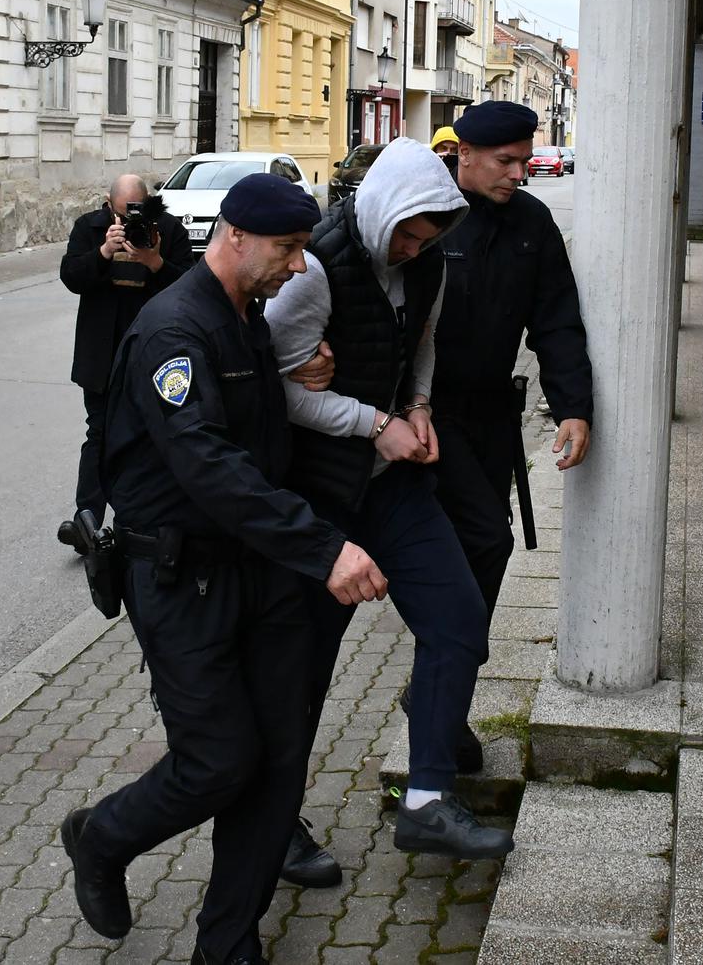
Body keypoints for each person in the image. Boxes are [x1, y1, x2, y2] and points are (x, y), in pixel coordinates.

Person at [60, 174, 388, 965]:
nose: (301, 266)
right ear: (235, 238)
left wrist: (305, 373)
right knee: (217, 763)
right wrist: (324, 548)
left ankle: (227, 945)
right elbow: (207, 464)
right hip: (182, 579)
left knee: (277, 769)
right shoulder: (173, 329)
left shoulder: (246, 321)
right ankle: (102, 838)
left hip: (262, 575)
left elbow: (262, 425)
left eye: (306, 248)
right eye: (288, 249)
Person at [264, 138, 512, 889]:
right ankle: (272, 827)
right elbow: (278, 391)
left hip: (392, 485)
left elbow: (424, 343)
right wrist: (377, 424)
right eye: (406, 232)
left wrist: (418, 404)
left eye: (429, 234)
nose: (413, 248)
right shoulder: (312, 272)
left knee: (458, 623)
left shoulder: (429, 261)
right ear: (378, 209)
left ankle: (429, 800)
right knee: (303, 672)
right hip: (321, 497)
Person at [431, 99, 593, 640]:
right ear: (466, 154)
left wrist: (573, 407)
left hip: (494, 420)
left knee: (485, 540)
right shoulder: (428, 216)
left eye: (524, 161)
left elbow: (557, 322)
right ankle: (445, 675)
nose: (519, 173)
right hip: (427, 416)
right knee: (480, 539)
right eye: (506, 161)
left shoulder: (532, 221)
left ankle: (444, 682)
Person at [56, 174, 193, 553]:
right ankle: (87, 521)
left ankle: (146, 522)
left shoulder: (166, 230)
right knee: (98, 433)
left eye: (137, 212)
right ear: (108, 204)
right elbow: (71, 277)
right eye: (123, 212)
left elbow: (192, 288)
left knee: (153, 436)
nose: (130, 221)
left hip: (153, 354)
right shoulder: (90, 228)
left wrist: (155, 262)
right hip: (101, 353)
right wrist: (102, 253)